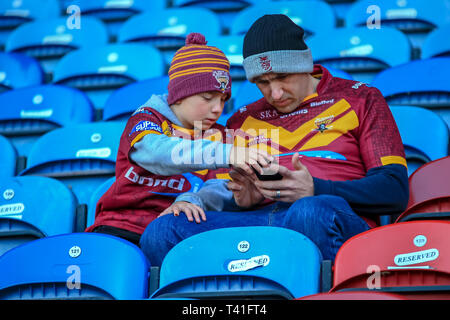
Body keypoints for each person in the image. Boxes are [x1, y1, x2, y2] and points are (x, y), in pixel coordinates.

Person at [139, 14, 409, 266]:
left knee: (309, 211)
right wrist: (240, 198)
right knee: (162, 231)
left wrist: (317, 188)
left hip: (326, 215)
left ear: (305, 64)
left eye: (282, 77)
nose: (275, 93)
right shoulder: (242, 119)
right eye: (262, 82)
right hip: (259, 222)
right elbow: (221, 192)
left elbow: (394, 191)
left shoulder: (361, 98)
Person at [85, 32, 272, 245]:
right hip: (122, 225)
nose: (217, 109)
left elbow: (222, 186)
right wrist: (227, 153)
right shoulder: (148, 118)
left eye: (222, 100)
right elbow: (156, 153)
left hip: (179, 226)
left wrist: (193, 199)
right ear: (180, 94)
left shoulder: (219, 135)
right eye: (208, 98)